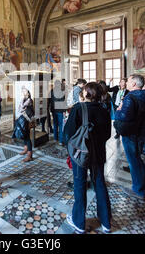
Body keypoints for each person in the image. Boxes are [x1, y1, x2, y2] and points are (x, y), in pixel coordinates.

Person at [63, 82, 112, 234]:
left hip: (81, 153)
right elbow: (107, 134)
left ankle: (78, 222)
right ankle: (106, 222)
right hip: (99, 153)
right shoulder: (104, 109)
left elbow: (68, 133)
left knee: (79, 184)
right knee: (100, 184)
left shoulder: (79, 108)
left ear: (86, 93)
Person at [114, 74, 145, 199]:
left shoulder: (130, 97)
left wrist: (118, 111)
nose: (126, 83)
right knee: (138, 159)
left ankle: (139, 190)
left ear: (134, 84)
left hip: (132, 133)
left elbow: (124, 116)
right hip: (144, 131)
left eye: (128, 81)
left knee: (134, 161)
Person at [12, 87, 35, 162]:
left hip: (27, 120)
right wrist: (22, 106)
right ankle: (26, 149)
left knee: (27, 137)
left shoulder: (29, 100)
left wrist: (22, 101)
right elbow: (19, 109)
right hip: (23, 120)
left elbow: (21, 107)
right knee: (25, 135)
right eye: (22, 92)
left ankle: (29, 155)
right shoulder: (25, 100)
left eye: (24, 92)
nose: (23, 93)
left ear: (28, 93)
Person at [50, 80, 67, 146]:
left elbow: (50, 100)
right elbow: (63, 101)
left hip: (54, 109)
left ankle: (55, 138)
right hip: (60, 110)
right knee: (61, 125)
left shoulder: (51, 91)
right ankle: (60, 140)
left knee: (55, 124)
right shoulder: (62, 91)